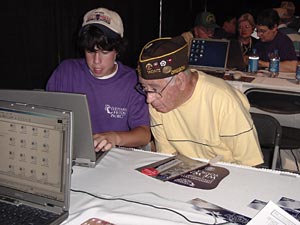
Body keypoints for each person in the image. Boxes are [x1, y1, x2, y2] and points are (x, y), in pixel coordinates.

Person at [136, 36, 263, 167]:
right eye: (145, 88)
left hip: (229, 173)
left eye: (154, 89)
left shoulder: (223, 100)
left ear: (180, 81)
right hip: (185, 172)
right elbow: (167, 158)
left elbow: (251, 164)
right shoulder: (157, 103)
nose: (149, 99)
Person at [46, 7, 151, 151]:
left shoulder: (132, 81)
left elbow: (144, 134)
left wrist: (114, 137)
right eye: (90, 51)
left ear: (117, 50)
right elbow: (46, 117)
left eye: (105, 52)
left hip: (116, 155)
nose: (96, 61)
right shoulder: (66, 71)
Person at [254, 8, 298, 72]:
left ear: (274, 28)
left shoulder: (284, 42)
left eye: (262, 31)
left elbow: (293, 66)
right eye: (257, 30)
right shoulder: (260, 43)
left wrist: (265, 64)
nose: (258, 34)